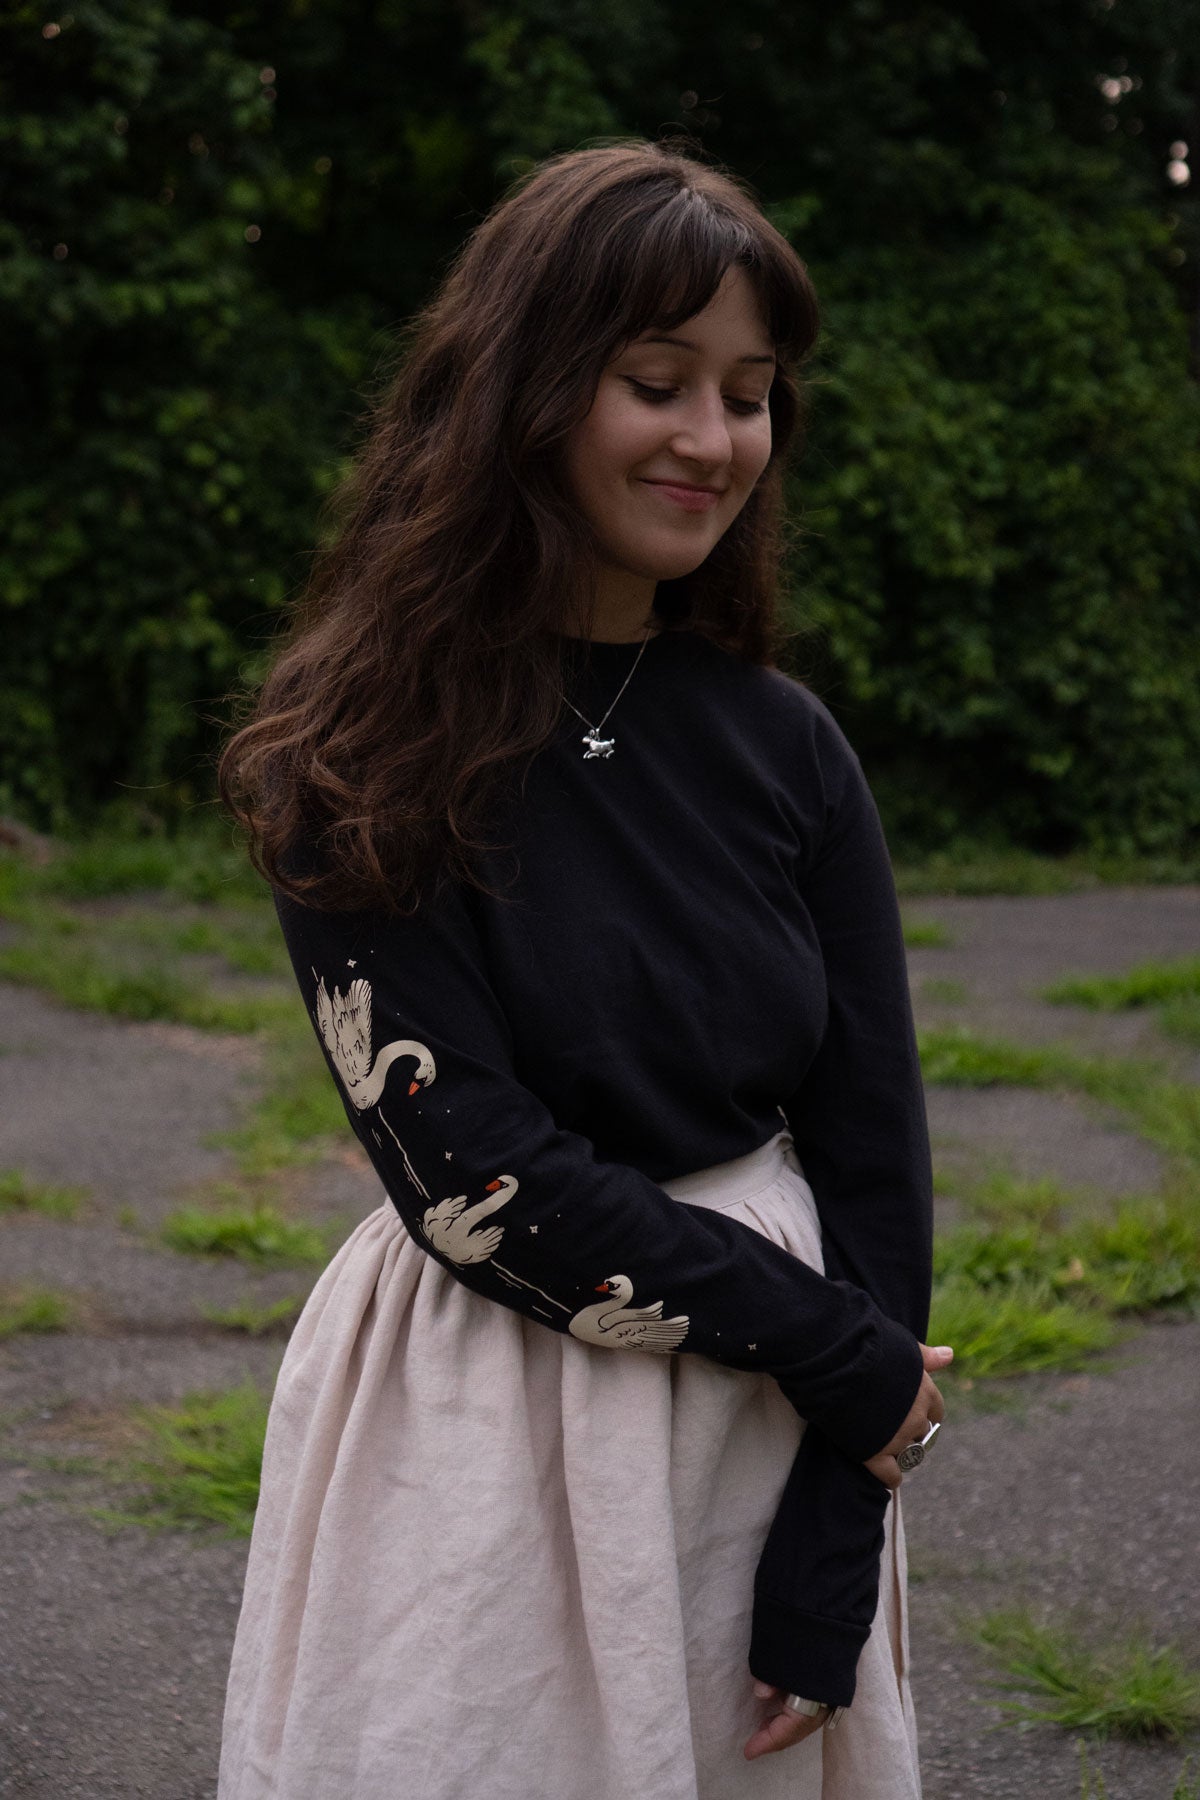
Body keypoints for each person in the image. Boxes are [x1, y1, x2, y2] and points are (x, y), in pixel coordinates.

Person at [215, 136, 951, 1800]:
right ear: (529, 390)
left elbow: (873, 1147)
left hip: (762, 1427)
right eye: (658, 380)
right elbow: (474, 1170)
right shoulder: (357, 747)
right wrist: (841, 1359)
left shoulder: (787, 745)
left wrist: (843, 1518)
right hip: (482, 1410)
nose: (715, 440)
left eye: (751, 392)